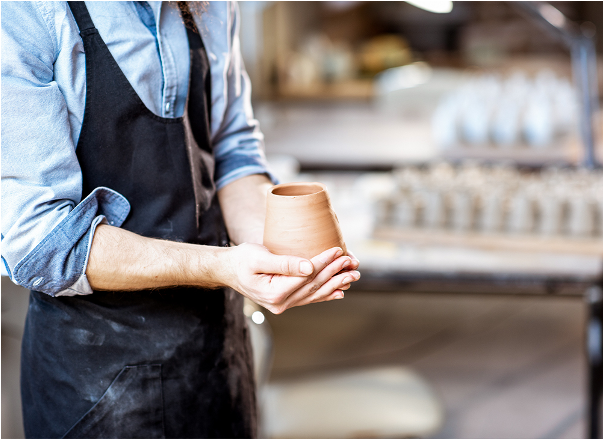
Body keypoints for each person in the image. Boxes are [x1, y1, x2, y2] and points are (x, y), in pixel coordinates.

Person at [0, 1, 361, 438]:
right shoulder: (26, 14)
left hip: (217, 359)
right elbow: (42, 243)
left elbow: (231, 148)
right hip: (96, 384)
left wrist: (273, 254)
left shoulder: (210, 6)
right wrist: (221, 266)